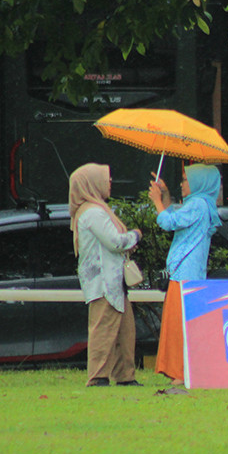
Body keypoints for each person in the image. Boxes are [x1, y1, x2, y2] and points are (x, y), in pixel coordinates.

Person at [68, 163, 143, 387]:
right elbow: (115, 242)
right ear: (91, 183)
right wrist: (135, 236)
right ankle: (98, 376)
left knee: (124, 331)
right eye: (104, 178)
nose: (109, 182)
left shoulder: (94, 210)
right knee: (103, 330)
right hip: (103, 284)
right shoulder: (93, 212)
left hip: (113, 282)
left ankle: (125, 376)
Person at [147, 163, 222, 385]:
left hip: (183, 277)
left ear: (199, 183)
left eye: (186, 180)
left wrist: (157, 201)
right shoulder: (201, 203)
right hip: (189, 275)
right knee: (182, 325)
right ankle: (182, 371)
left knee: (178, 327)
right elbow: (177, 217)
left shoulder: (197, 204)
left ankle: (180, 372)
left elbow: (168, 222)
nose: (182, 184)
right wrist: (165, 195)